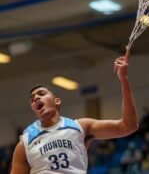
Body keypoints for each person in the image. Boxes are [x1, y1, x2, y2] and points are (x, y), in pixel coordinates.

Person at [10, 49, 138, 174]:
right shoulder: (25, 144)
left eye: (41, 94)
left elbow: (128, 126)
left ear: (57, 101)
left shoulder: (80, 126)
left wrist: (124, 80)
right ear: (34, 110)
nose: (36, 98)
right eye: (32, 99)